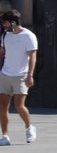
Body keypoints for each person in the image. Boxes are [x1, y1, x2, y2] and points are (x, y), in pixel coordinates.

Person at [0, 10, 38, 145]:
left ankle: (29, 127)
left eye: (5, 23)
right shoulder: (5, 35)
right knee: (2, 105)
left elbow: (32, 57)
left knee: (19, 105)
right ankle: (5, 136)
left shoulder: (29, 36)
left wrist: (30, 75)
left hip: (21, 75)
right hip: (5, 74)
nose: (3, 25)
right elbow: (2, 52)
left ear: (13, 22)